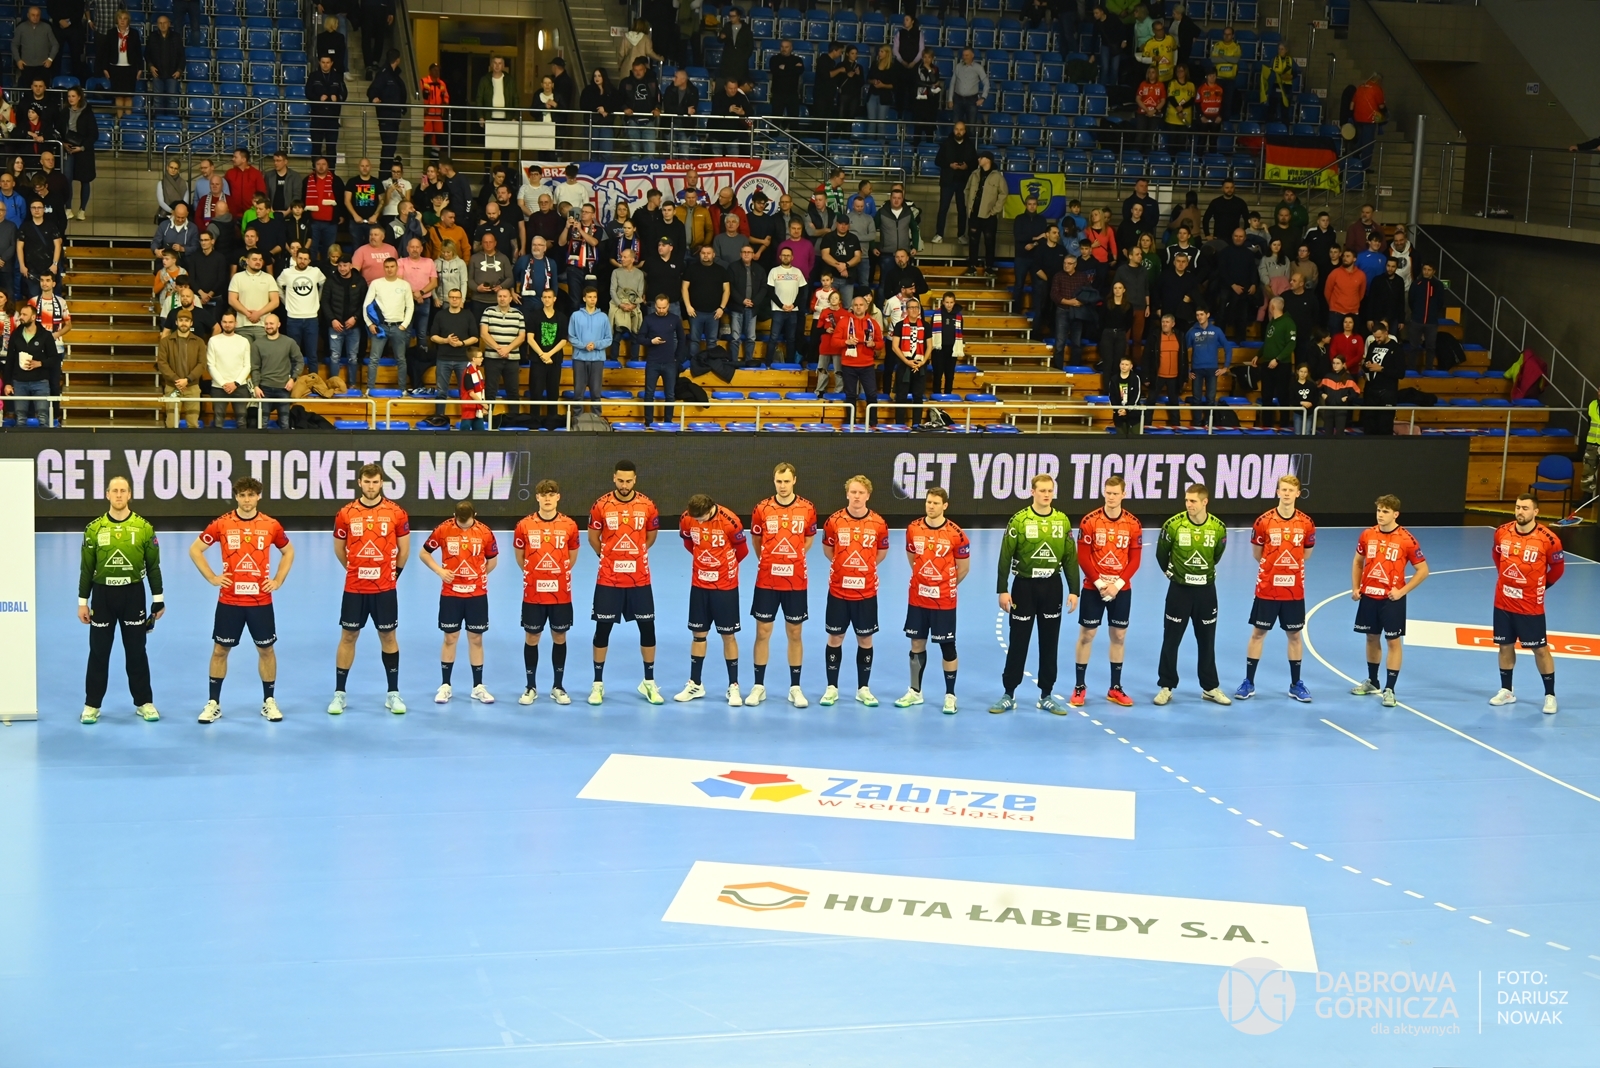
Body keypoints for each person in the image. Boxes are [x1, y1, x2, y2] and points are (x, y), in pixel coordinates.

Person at [188, 477, 293, 724]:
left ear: (259, 497)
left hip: (260, 601)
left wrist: (278, 579)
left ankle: (269, 701)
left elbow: (288, 551)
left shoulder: (271, 525)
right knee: (220, 650)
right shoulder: (222, 523)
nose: (247, 500)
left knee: (266, 650)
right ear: (236, 496)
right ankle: (213, 703)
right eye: (242, 495)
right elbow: (195, 549)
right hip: (230, 601)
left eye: (251, 495)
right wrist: (212, 577)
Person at [76, 477, 163, 724]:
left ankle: (144, 702)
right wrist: (83, 602)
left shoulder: (144, 527)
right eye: (114, 490)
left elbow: (153, 566)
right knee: (99, 652)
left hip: (133, 595)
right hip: (102, 596)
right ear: (107, 494)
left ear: (129, 494)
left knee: (137, 651)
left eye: (123, 490)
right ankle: (92, 705)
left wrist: (158, 599)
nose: (118, 494)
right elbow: (86, 568)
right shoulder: (94, 529)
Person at [991, 474, 1078, 715]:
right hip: (1024, 587)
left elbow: (1070, 557)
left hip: (1052, 587)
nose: (1046, 494)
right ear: (1032, 492)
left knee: (1050, 642)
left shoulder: (1062, 521)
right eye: (1042, 490)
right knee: (1018, 641)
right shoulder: (1019, 520)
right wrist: (1002, 589)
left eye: (1050, 490)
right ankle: (1009, 694)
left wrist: (1074, 590)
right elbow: (1005, 556)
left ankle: (1046, 695)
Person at [329, 463, 410, 716]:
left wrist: (393, 575)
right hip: (355, 588)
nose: (371, 486)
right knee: (348, 636)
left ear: (381, 483)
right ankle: (340, 694)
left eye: (375, 482)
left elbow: (404, 549)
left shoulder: (396, 512)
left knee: (388, 637)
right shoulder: (346, 513)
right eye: (367, 481)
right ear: (360, 483)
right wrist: (353, 569)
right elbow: (339, 548)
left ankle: (393, 693)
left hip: (385, 588)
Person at [1232, 475, 1317, 703]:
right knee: (1258, 633)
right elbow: (1257, 554)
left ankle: (1296, 684)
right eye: (1283, 489)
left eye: (1291, 490)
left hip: (1294, 591)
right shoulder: (1264, 521)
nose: (1287, 493)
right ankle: (1248, 682)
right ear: (1278, 492)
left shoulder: (1306, 523)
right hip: (1267, 589)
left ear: (1298, 493)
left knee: (1295, 635)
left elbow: (1306, 554)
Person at [888, 486, 971, 715]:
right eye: (928, 502)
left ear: (945, 506)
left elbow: (963, 568)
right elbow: (913, 558)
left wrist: (944, 585)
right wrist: (924, 581)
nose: (931, 506)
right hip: (918, 598)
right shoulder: (913, 528)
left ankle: (950, 695)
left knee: (947, 646)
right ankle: (915, 691)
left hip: (944, 601)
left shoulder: (956, 534)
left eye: (935, 503)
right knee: (916, 643)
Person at [588, 461, 664, 706]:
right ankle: (597, 684)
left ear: (635, 480)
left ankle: (648, 682)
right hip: (608, 579)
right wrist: (609, 557)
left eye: (628, 481)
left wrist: (635, 555)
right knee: (602, 630)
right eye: (620, 481)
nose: (624, 485)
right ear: (614, 478)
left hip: (639, 579)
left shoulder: (647, 505)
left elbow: (651, 536)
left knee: (648, 629)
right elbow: (593, 537)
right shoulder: (601, 505)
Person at [1153, 483, 1231, 706]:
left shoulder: (1218, 528)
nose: (1188, 504)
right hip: (1179, 591)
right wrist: (1172, 574)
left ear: (1205, 502)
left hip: (1206, 592)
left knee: (1207, 641)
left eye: (1193, 501)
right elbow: (1161, 555)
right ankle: (1166, 686)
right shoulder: (1173, 525)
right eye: (1187, 500)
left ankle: (1209, 687)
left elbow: (1216, 555)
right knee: (1171, 640)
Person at [747, 463, 817, 708]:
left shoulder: (807, 508)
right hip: (767, 580)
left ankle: (795, 688)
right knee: (762, 632)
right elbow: (756, 540)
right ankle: (758, 686)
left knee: (795, 632)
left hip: (796, 581)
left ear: (794, 480)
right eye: (779, 481)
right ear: (774, 481)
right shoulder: (762, 508)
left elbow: (809, 538)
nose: (783, 486)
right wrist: (769, 561)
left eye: (787, 481)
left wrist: (793, 557)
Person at [1487, 495, 1565, 714]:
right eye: (1517, 507)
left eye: (1525, 508)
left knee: (1540, 649)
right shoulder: (1502, 532)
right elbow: (1496, 554)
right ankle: (1506, 690)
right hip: (1503, 601)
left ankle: (1550, 695)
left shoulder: (1549, 539)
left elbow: (1558, 569)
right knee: (1504, 646)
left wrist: (1541, 586)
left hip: (1530, 605)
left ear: (1536, 512)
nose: (1520, 511)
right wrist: (1504, 577)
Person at [1349, 494, 1429, 707]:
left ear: (1395, 514)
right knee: (1371, 638)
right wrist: (1356, 587)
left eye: (1385, 511)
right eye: (1379, 510)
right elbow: (1358, 562)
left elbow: (1423, 570)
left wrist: (1402, 592)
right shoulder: (1367, 534)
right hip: (1369, 597)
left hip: (1391, 600)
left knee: (1393, 641)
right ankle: (1372, 681)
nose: (1380, 515)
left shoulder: (1406, 539)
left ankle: (1390, 689)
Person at [1071, 475, 1142, 708]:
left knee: (1119, 636)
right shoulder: (1090, 521)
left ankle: (1115, 687)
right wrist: (1101, 584)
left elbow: (1135, 560)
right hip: (1094, 588)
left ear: (1123, 494)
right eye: (1108, 493)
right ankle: (1079, 686)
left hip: (1121, 589)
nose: (1111, 497)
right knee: (1087, 634)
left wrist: (1117, 585)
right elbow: (1083, 557)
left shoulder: (1133, 524)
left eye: (1115, 493)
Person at [672, 494, 750, 706]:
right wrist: (704, 562)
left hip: (725, 586)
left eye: (702, 518)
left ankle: (733, 686)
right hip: (699, 585)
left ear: (711, 509)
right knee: (698, 635)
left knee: (728, 635)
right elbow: (688, 542)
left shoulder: (730, 521)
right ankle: (695, 684)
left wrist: (721, 567)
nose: (698, 522)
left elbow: (742, 551)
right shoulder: (687, 518)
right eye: (695, 519)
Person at [419, 501, 499, 705]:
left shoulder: (485, 532)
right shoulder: (443, 529)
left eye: (467, 521)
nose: (463, 524)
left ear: (475, 515)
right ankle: (445, 685)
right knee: (450, 638)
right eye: (459, 521)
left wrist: (478, 576)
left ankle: (478, 687)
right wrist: (440, 571)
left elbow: (492, 560)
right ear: (454, 515)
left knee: (476, 639)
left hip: (476, 594)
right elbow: (424, 553)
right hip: (451, 594)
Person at [508, 479, 580, 705]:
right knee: (532, 637)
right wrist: (536, 575)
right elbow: (520, 557)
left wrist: (556, 575)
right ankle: (530, 687)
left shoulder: (569, 525)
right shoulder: (524, 525)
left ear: (558, 497)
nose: (547, 498)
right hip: (533, 594)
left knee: (560, 636)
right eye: (543, 495)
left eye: (551, 494)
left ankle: (558, 686)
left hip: (561, 594)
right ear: (537, 497)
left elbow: (571, 557)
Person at [820, 475, 889, 708]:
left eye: (861, 492)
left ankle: (863, 689)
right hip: (839, 591)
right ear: (847, 494)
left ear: (868, 495)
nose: (857, 496)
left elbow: (881, 552)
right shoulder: (834, 521)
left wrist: (864, 568)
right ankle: (831, 688)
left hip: (866, 593)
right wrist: (844, 567)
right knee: (835, 637)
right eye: (853, 492)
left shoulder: (878, 523)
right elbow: (828, 550)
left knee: (865, 639)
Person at [249, 312, 303, 429]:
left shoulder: (289, 342)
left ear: (279, 324)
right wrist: (256, 386)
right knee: (262, 423)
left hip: (284, 388)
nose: (268, 326)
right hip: (264, 389)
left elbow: (299, 361)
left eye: (271, 323)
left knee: (284, 423)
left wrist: (293, 379)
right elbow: (255, 367)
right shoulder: (257, 344)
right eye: (266, 324)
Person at [932, 121, 977, 244]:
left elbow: (975, 163)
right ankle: (939, 234)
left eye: (961, 129)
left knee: (962, 210)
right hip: (948, 182)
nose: (959, 132)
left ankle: (961, 235)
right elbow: (937, 160)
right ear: (953, 130)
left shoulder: (969, 145)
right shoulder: (946, 143)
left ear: (965, 131)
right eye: (957, 129)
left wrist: (967, 166)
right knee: (943, 208)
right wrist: (949, 165)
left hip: (963, 182)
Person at [963, 152, 1005, 277]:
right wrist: (969, 206)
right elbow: (967, 190)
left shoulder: (997, 177)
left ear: (988, 160)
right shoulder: (974, 174)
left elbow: (1003, 194)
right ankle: (972, 266)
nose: (979, 159)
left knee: (990, 241)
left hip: (989, 216)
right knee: (973, 241)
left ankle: (989, 267)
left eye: (981, 157)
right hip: (974, 215)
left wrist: (995, 210)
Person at [369, 50, 407, 166]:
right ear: (398, 60)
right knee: (388, 147)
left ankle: (386, 171)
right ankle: (384, 172)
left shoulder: (393, 75)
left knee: (390, 147)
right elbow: (373, 89)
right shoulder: (385, 74)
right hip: (387, 116)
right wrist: (373, 97)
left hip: (393, 116)